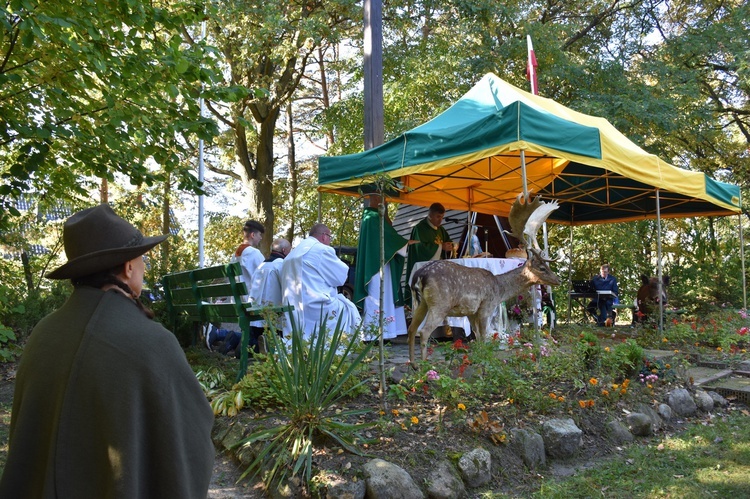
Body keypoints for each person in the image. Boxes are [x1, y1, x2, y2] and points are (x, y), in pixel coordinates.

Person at [0, 204, 214, 498]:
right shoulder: (152, 342)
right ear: (128, 267)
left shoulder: (43, 333)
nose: (143, 267)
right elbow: (191, 433)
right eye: (142, 260)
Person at [281, 224, 361, 340]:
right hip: (316, 305)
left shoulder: (293, 253)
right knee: (348, 309)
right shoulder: (322, 250)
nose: (329, 241)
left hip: (293, 308)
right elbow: (340, 278)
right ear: (324, 236)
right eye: (330, 237)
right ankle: (337, 350)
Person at [354, 194, 416, 341]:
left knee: (385, 296)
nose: (385, 202)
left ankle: (385, 332)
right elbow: (388, 238)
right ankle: (373, 334)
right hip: (375, 268)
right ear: (374, 198)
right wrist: (405, 243)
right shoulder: (372, 218)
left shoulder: (376, 216)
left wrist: (386, 215)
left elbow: (388, 233)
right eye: (383, 199)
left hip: (383, 264)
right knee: (376, 296)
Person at [404, 202, 454, 306]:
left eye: (442, 217)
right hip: (425, 271)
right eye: (438, 217)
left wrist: (451, 246)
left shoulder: (441, 229)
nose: (440, 220)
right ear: (430, 215)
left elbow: (448, 242)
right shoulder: (420, 229)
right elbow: (420, 249)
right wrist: (441, 247)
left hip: (440, 270)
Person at [247, 238, 292, 351]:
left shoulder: (261, 266)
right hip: (272, 318)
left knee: (255, 341)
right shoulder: (282, 265)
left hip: (255, 318)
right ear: (284, 250)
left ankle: (247, 344)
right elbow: (289, 289)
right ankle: (266, 347)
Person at [233, 219, 265, 296]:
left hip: (236, 299)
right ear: (253, 235)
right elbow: (264, 275)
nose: (261, 238)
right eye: (260, 235)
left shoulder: (234, 255)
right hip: (250, 300)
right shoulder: (254, 253)